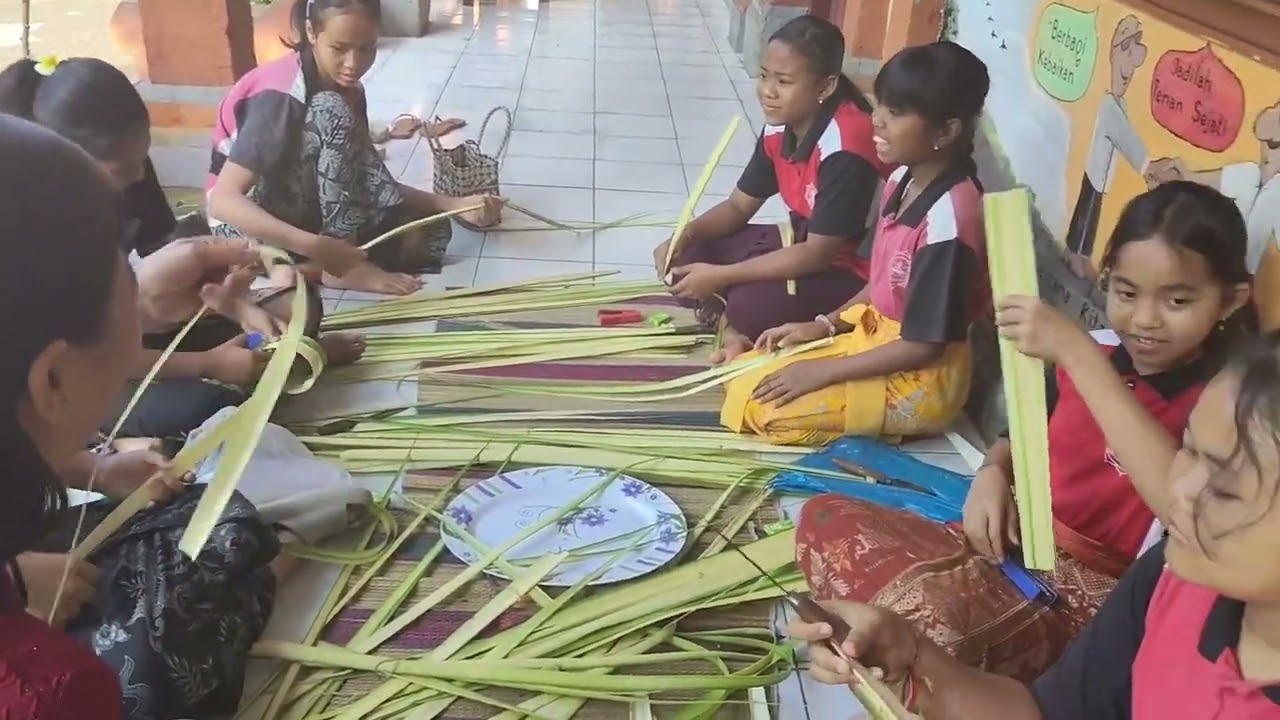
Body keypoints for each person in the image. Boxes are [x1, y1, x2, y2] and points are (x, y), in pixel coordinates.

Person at [794, 181, 1255, 681]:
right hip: (1011, 547)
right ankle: (901, 650)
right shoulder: (1096, 349)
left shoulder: (1223, 405)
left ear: (1230, 301)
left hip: (1093, 600)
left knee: (934, 631)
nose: (1144, 320)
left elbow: (1184, 507)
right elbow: (1023, 428)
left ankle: (920, 662)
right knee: (824, 518)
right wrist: (993, 472)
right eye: (1125, 293)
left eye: (1178, 301)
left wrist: (1077, 355)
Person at [0, 115, 372, 719]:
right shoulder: (55, 692)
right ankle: (276, 558)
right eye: (121, 276)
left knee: (201, 510)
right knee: (160, 662)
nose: (137, 280)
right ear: (53, 379)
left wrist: (92, 471)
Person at [786, 331, 1280, 719]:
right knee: (831, 518)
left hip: (1073, 581)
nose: (1180, 490)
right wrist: (910, 653)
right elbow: (1042, 712)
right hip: (1023, 555)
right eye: (1188, 449)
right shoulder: (1172, 577)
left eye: (1227, 489)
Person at [0, 55, 365, 446]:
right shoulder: (36, 235)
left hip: (139, 333)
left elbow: (166, 273)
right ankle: (107, 440)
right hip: (93, 371)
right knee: (208, 407)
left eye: (142, 157)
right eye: (122, 167)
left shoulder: (126, 181)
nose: (138, 175)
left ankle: (282, 359)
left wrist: (234, 304)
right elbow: (98, 355)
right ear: (69, 159)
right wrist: (208, 363)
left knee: (296, 307)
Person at [718, 42, 990, 446]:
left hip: (920, 381)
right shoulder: (903, 180)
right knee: (742, 374)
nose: (876, 121)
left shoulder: (949, 218)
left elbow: (924, 346)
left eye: (895, 113)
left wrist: (822, 370)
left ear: (946, 131)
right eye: (878, 105)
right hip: (876, 339)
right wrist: (822, 326)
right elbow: (880, 285)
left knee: (765, 410)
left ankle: (889, 429)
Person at [207, 0, 502, 297]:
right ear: (311, 31)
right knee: (331, 109)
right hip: (241, 224)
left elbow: (364, 176)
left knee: (419, 235)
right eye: (340, 48)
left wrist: (453, 205)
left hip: (293, 210)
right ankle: (332, 266)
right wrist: (315, 245)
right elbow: (222, 200)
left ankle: (301, 267)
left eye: (367, 49)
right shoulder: (281, 96)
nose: (354, 63)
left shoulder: (350, 89)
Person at [651, 15, 893, 362]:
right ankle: (734, 328)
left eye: (784, 81)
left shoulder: (845, 147)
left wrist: (722, 275)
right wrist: (685, 234)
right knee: (684, 259)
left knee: (750, 304)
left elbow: (818, 255)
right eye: (764, 75)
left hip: (850, 272)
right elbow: (737, 207)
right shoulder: (780, 126)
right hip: (800, 241)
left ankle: (735, 322)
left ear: (825, 87)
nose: (767, 90)